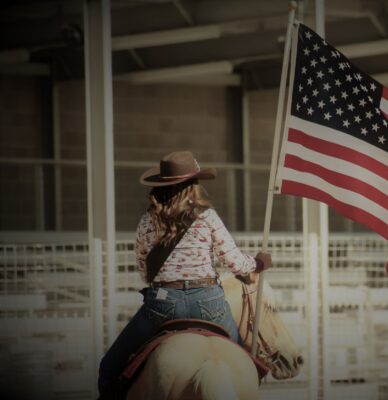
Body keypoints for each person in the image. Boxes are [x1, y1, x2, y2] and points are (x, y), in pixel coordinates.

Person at [97, 150, 271, 399]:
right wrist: (258, 263)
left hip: (163, 304)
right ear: (193, 186)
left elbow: (145, 274)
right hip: (210, 303)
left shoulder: (148, 221)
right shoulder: (208, 217)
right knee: (246, 364)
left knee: (110, 366)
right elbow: (234, 261)